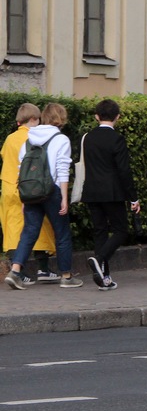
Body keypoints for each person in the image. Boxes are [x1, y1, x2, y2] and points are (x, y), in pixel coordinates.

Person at [4, 103, 83, 289]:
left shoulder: (29, 139)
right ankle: (66, 275)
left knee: (29, 232)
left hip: (31, 191)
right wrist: (64, 197)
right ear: (60, 118)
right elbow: (62, 170)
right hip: (52, 191)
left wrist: (24, 196)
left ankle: (15, 271)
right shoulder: (61, 139)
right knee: (62, 233)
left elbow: (21, 169)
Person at [81, 99, 140, 290]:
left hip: (91, 191)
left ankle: (104, 278)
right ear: (118, 117)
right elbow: (124, 171)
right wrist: (133, 197)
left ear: (96, 116)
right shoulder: (117, 139)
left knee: (100, 232)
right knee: (121, 230)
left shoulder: (87, 137)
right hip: (112, 192)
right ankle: (98, 259)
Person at [1, 103, 60, 285]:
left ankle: (18, 271)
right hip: (30, 187)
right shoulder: (33, 137)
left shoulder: (10, 138)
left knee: (13, 228)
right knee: (40, 226)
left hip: (9, 186)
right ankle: (43, 268)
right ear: (33, 119)